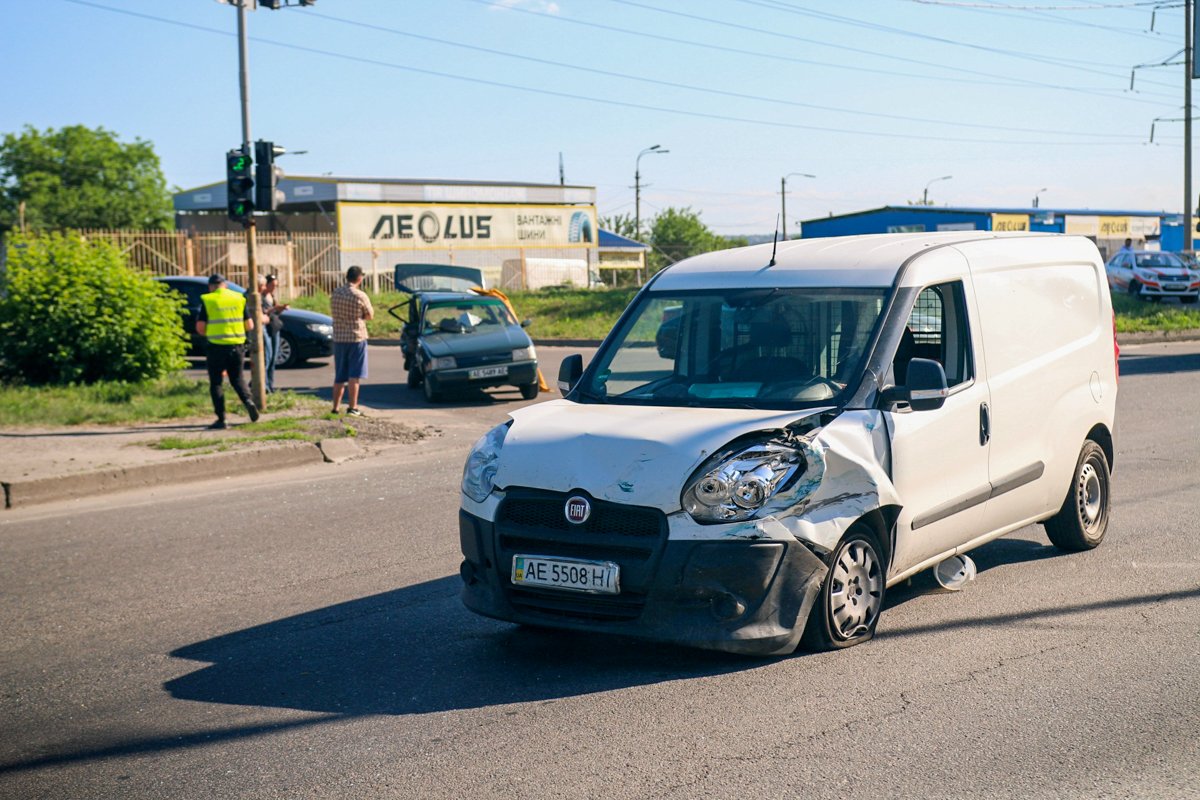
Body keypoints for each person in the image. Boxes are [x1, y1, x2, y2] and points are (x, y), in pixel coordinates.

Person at [196, 273, 259, 430]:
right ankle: (248, 401)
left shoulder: (208, 299)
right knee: (237, 379)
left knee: (216, 382)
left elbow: (200, 328)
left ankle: (221, 419)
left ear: (210, 286)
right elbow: (250, 325)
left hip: (216, 347)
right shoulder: (238, 298)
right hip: (237, 346)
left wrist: (212, 332)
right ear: (226, 285)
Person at [330, 265, 374, 416]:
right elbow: (370, 315)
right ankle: (352, 407)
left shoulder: (336, 293)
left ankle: (335, 408)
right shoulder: (360, 295)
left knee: (339, 375)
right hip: (356, 337)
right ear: (359, 278)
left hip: (339, 337)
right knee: (354, 375)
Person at [260, 274, 288, 393]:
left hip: (274, 328)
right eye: (272, 285)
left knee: (273, 359)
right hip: (266, 328)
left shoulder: (271, 295)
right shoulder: (260, 296)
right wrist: (274, 309)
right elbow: (262, 312)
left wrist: (280, 308)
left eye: (276, 286)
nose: (274, 288)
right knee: (268, 357)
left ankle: (270, 385)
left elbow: (274, 312)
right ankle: (263, 385)